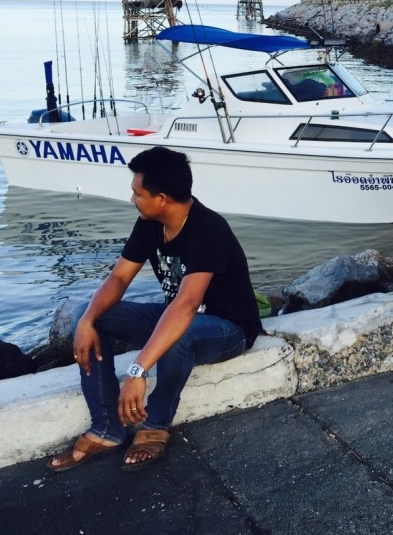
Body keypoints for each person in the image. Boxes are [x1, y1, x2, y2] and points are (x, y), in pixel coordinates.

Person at [46, 146, 262, 473]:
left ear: (161, 198)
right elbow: (119, 277)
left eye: (137, 193)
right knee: (88, 316)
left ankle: (156, 423)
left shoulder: (208, 228)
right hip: (178, 318)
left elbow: (188, 304)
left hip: (228, 329)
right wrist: (88, 319)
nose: (132, 199)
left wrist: (138, 371)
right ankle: (107, 429)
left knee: (180, 331)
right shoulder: (150, 223)